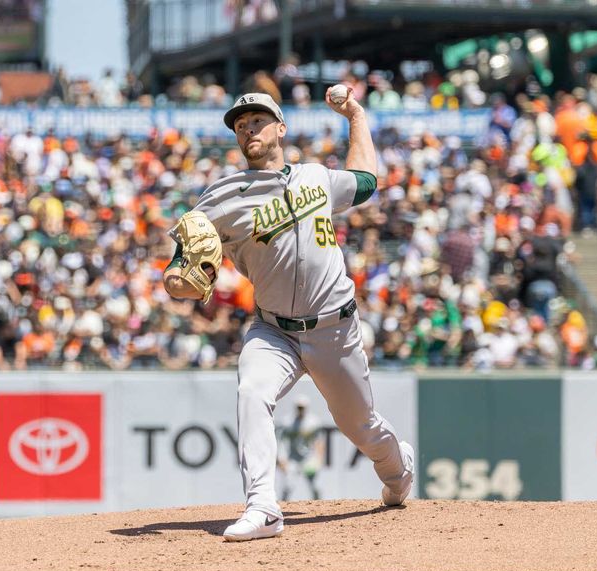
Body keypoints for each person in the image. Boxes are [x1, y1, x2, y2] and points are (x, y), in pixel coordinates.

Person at [163, 91, 414, 542]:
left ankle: (399, 471)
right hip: (272, 329)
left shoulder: (315, 178)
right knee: (252, 391)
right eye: (241, 125)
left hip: (333, 328)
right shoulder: (219, 198)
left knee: (362, 427)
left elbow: (365, 180)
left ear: (280, 128)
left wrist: (355, 115)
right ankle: (263, 506)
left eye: (258, 120)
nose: (248, 130)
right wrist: (180, 280)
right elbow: (181, 266)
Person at [276, 395, 324, 500]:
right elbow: (281, 441)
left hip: (308, 458)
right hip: (293, 458)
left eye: (302, 407)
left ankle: (320, 511)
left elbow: (319, 441)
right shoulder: (287, 422)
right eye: (299, 407)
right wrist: (281, 459)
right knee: (287, 486)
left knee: (316, 487)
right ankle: (282, 510)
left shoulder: (313, 422)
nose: (300, 409)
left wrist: (319, 459)